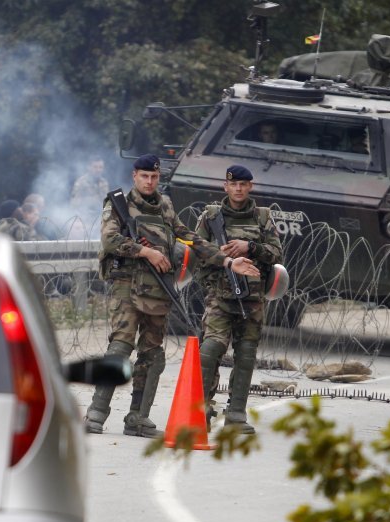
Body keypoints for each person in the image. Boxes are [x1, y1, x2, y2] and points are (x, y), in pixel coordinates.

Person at [86, 154, 260, 438]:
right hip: (127, 285)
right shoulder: (118, 204)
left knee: (153, 355)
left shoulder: (165, 205)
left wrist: (228, 262)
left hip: (157, 289)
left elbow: (190, 237)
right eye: (145, 176)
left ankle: (138, 418)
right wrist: (147, 252)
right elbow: (111, 240)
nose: (150, 181)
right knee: (120, 347)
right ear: (135, 176)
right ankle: (96, 413)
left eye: (154, 177)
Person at [195, 165, 283, 434]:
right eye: (234, 185)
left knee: (245, 356)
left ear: (250, 187)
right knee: (210, 351)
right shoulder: (211, 217)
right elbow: (194, 249)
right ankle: (201, 408)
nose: (238, 189)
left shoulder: (263, 217)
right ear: (225, 187)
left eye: (244, 184)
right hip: (220, 298)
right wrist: (219, 255)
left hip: (253, 300)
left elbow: (277, 254)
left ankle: (235, 413)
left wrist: (250, 247)